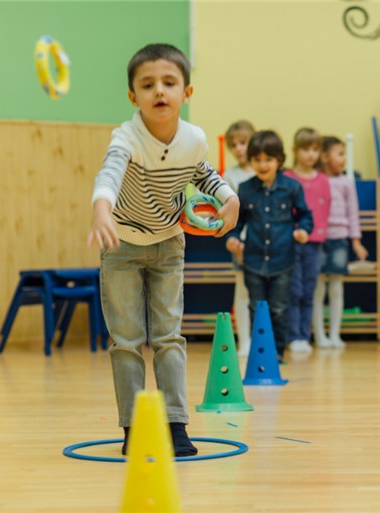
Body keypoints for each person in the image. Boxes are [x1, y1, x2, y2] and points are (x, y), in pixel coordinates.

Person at [87, 43, 240, 457]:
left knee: (170, 336)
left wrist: (229, 197)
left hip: (169, 245)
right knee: (126, 340)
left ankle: (175, 424)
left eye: (169, 83)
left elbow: (203, 173)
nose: (159, 91)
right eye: (148, 84)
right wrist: (101, 209)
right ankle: (133, 427)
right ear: (133, 96)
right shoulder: (127, 137)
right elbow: (110, 173)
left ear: (186, 93)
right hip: (121, 245)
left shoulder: (194, 139)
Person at [228, 130, 313, 362]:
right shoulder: (245, 189)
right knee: (256, 308)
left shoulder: (292, 188)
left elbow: (305, 216)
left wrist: (303, 230)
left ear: (279, 161)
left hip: (283, 259)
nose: (263, 165)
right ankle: (260, 352)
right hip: (253, 260)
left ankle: (276, 352)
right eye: (257, 160)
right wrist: (233, 237)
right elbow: (239, 220)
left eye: (268, 159)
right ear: (250, 161)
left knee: (279, 308)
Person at [312, 136, 368, 348]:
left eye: (344, 154)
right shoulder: (317, 180)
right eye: (339, 154)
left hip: (339, 239)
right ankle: (320, 335)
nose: (343, 159)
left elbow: (353, 212)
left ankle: (335, 334)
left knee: (335, 287)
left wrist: (356, 241)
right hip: (318, 240)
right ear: (325, 157)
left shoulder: (346, 182)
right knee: (317, 289)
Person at [284, 127, 331, 354]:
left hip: (315, 243)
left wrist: (321, 234)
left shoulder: (323, 180)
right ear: (295, 151)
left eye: (315, 150)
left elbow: (326, 208)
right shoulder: (288, 178)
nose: (310, 155)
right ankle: (294, 336)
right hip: (292, 242)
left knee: (310, 288)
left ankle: (305, 335)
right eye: (305, 149)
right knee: (294, 289)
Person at [222, 120, 256, 356]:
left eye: (243, 142)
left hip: (267, 241)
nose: (239, 149)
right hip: (242, 243)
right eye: (234, 145)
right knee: (242, 291)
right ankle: (244, 340)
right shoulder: (230, 175)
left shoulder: (266, 169)